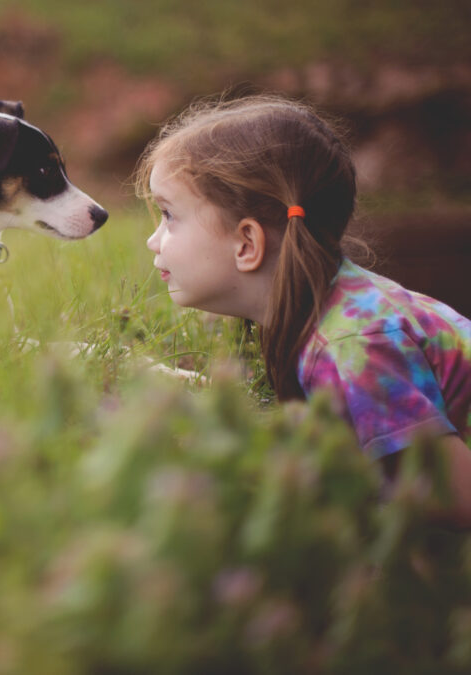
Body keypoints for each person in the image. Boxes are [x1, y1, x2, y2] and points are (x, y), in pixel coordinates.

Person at [135, 94, 471, 526]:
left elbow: (454, 499)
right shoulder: (322, 310)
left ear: (247, 244)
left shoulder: (355, 344)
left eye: (168, 215)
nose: (153, 240)